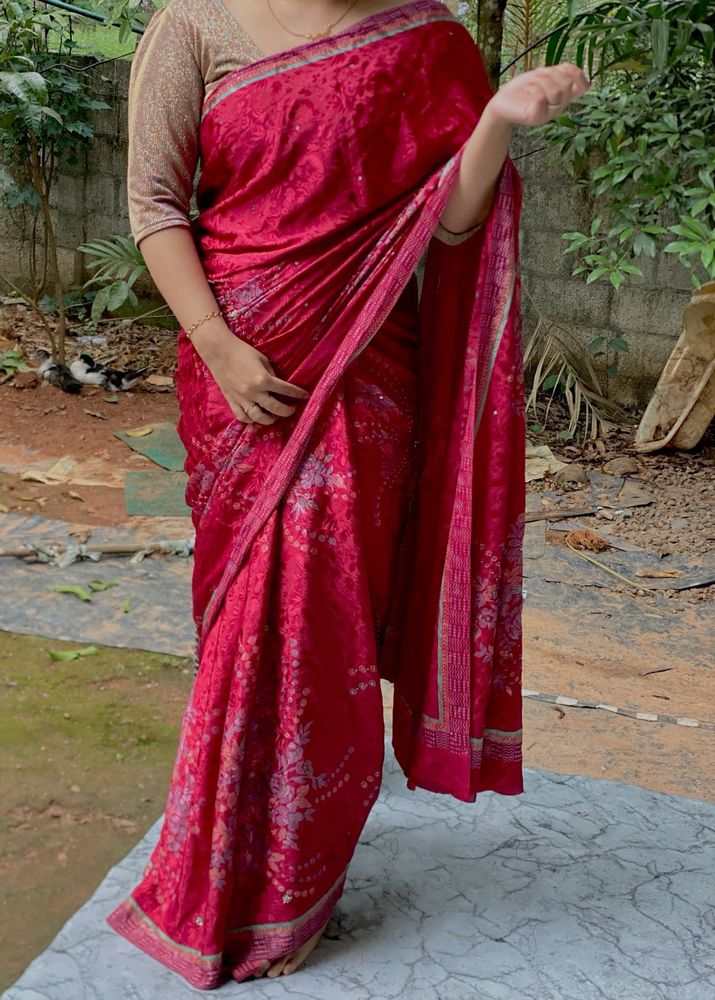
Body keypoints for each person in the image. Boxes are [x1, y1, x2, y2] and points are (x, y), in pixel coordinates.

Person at [106, 0, 588, 987]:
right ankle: (229, 858)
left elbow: (449, 221)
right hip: (239, 370)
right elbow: (154, 205)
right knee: (245, 618)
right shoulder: (192, 27)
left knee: (321, 619)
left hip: (368, 374)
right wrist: (217, 344)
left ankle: (295, 878)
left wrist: (494, 117)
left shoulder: (425, 39)